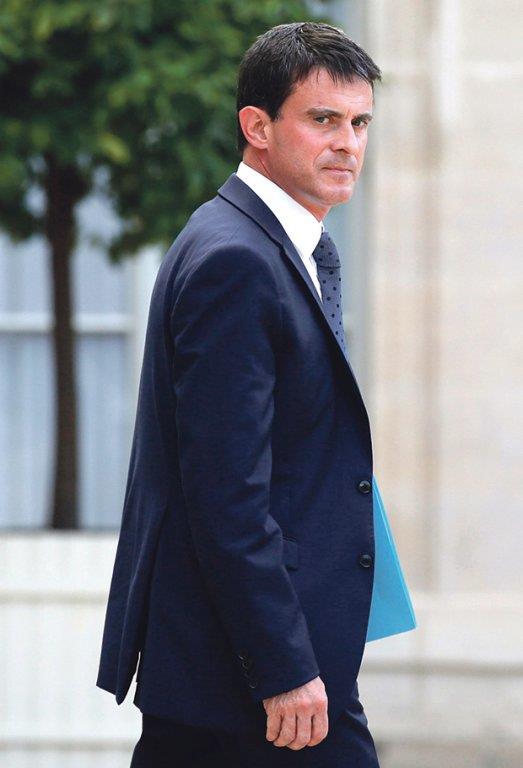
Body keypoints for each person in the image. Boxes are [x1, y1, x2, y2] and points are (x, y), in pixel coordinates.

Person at [96, 20, 382, 767]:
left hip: (243, 668)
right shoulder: (237, 260)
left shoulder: (262, 243)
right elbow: (225, 492)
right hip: (252, 678)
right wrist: (282, 665)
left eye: (358, 123)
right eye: (322, 119)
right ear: (257, 127)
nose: (347, 144)